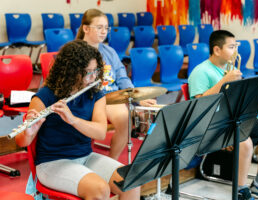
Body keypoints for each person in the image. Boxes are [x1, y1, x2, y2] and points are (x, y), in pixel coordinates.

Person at [15, 40, 140, 200]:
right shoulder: (45, 96)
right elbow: (21, 142)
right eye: (88, 72)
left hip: (85, 156)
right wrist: (28, 132)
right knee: (99, 189)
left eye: (96, 70)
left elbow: (100, 132)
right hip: (52, 162)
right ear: (71, 71)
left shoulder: (95, 94)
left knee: (132, 181)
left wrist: (72, 119)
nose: (94, 76)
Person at [188, 30, 258, 200]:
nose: (236, 51)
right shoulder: (200, 71)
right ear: (217, 50)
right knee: (245, 142)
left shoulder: (230, 69)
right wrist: (225, 81)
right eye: (231, 47)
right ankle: (240, 189)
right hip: (213, 122)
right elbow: (199, 104)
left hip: (235, 116)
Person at [76, 8, 157, 160]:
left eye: (106, 28)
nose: (103, 32)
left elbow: (122, 78)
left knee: (127, 121)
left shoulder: (109, 51)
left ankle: (112, 162)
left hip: (111, 98)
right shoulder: (75, 52)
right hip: (89, 98)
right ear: (86, 28)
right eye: (99, 27)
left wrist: (136, 99)